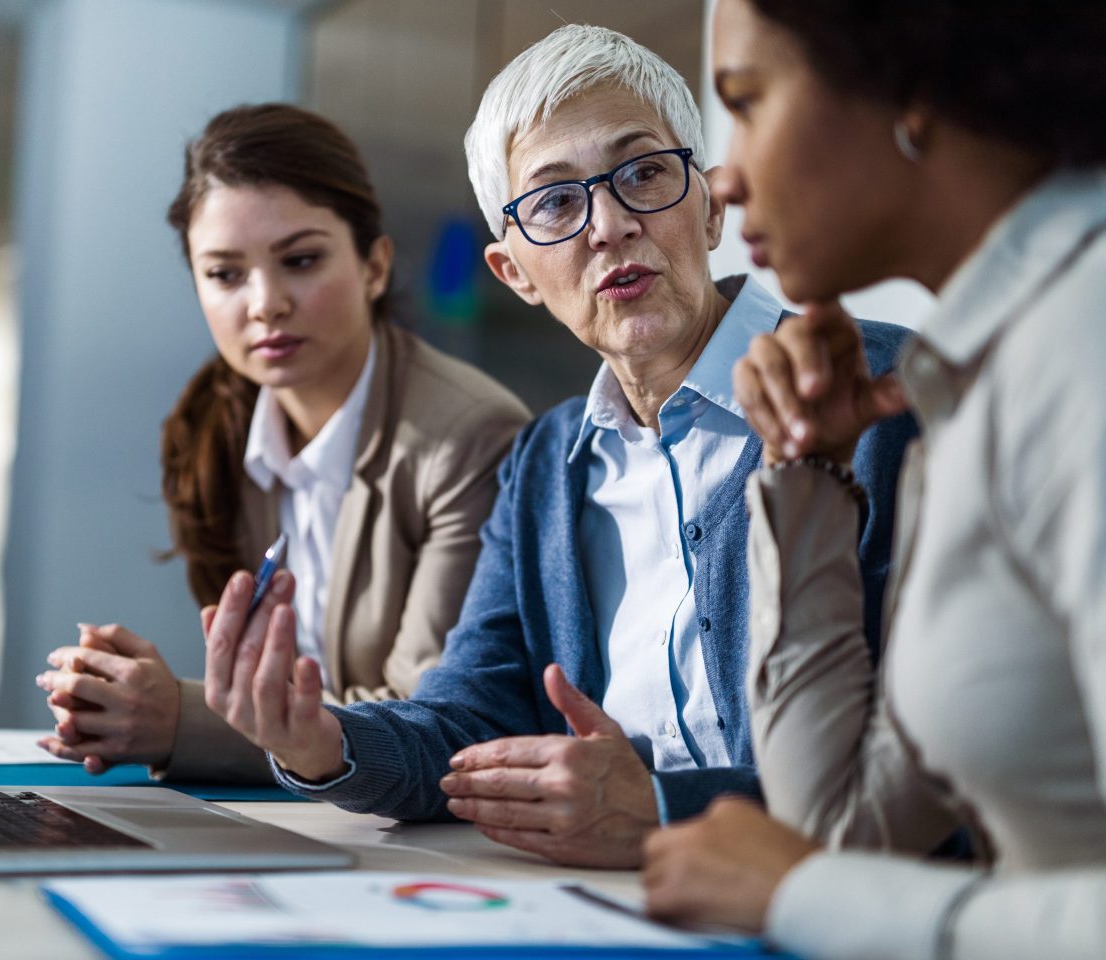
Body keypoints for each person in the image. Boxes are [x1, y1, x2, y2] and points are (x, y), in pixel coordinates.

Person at [197, 25, 917, 868]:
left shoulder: (883, 392)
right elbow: (470, 720)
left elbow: (926, 772)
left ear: (712, 204)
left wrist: (657, 806)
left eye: (644, 172)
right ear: (515, 274)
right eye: (555, 202)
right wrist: (322, 742)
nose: (608, 226)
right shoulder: (544, 464)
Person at [641, 1, 1106, 957]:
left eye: (748, 100)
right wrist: (805, 468)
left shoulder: (1084, 346)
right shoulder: (976, 377)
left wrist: (809, 895)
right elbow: (840, 828)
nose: (724, 172)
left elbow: (819, 876)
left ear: (914, 85)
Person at [35, 104, 530, 783]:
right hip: (305, 817)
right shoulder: (218, 426)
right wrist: (115, 698)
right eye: (225, 274)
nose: (264, 303)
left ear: (376, 266)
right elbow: (265, 690)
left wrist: (178, 720)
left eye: (299, 260)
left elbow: (432, 717)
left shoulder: (469, 439)